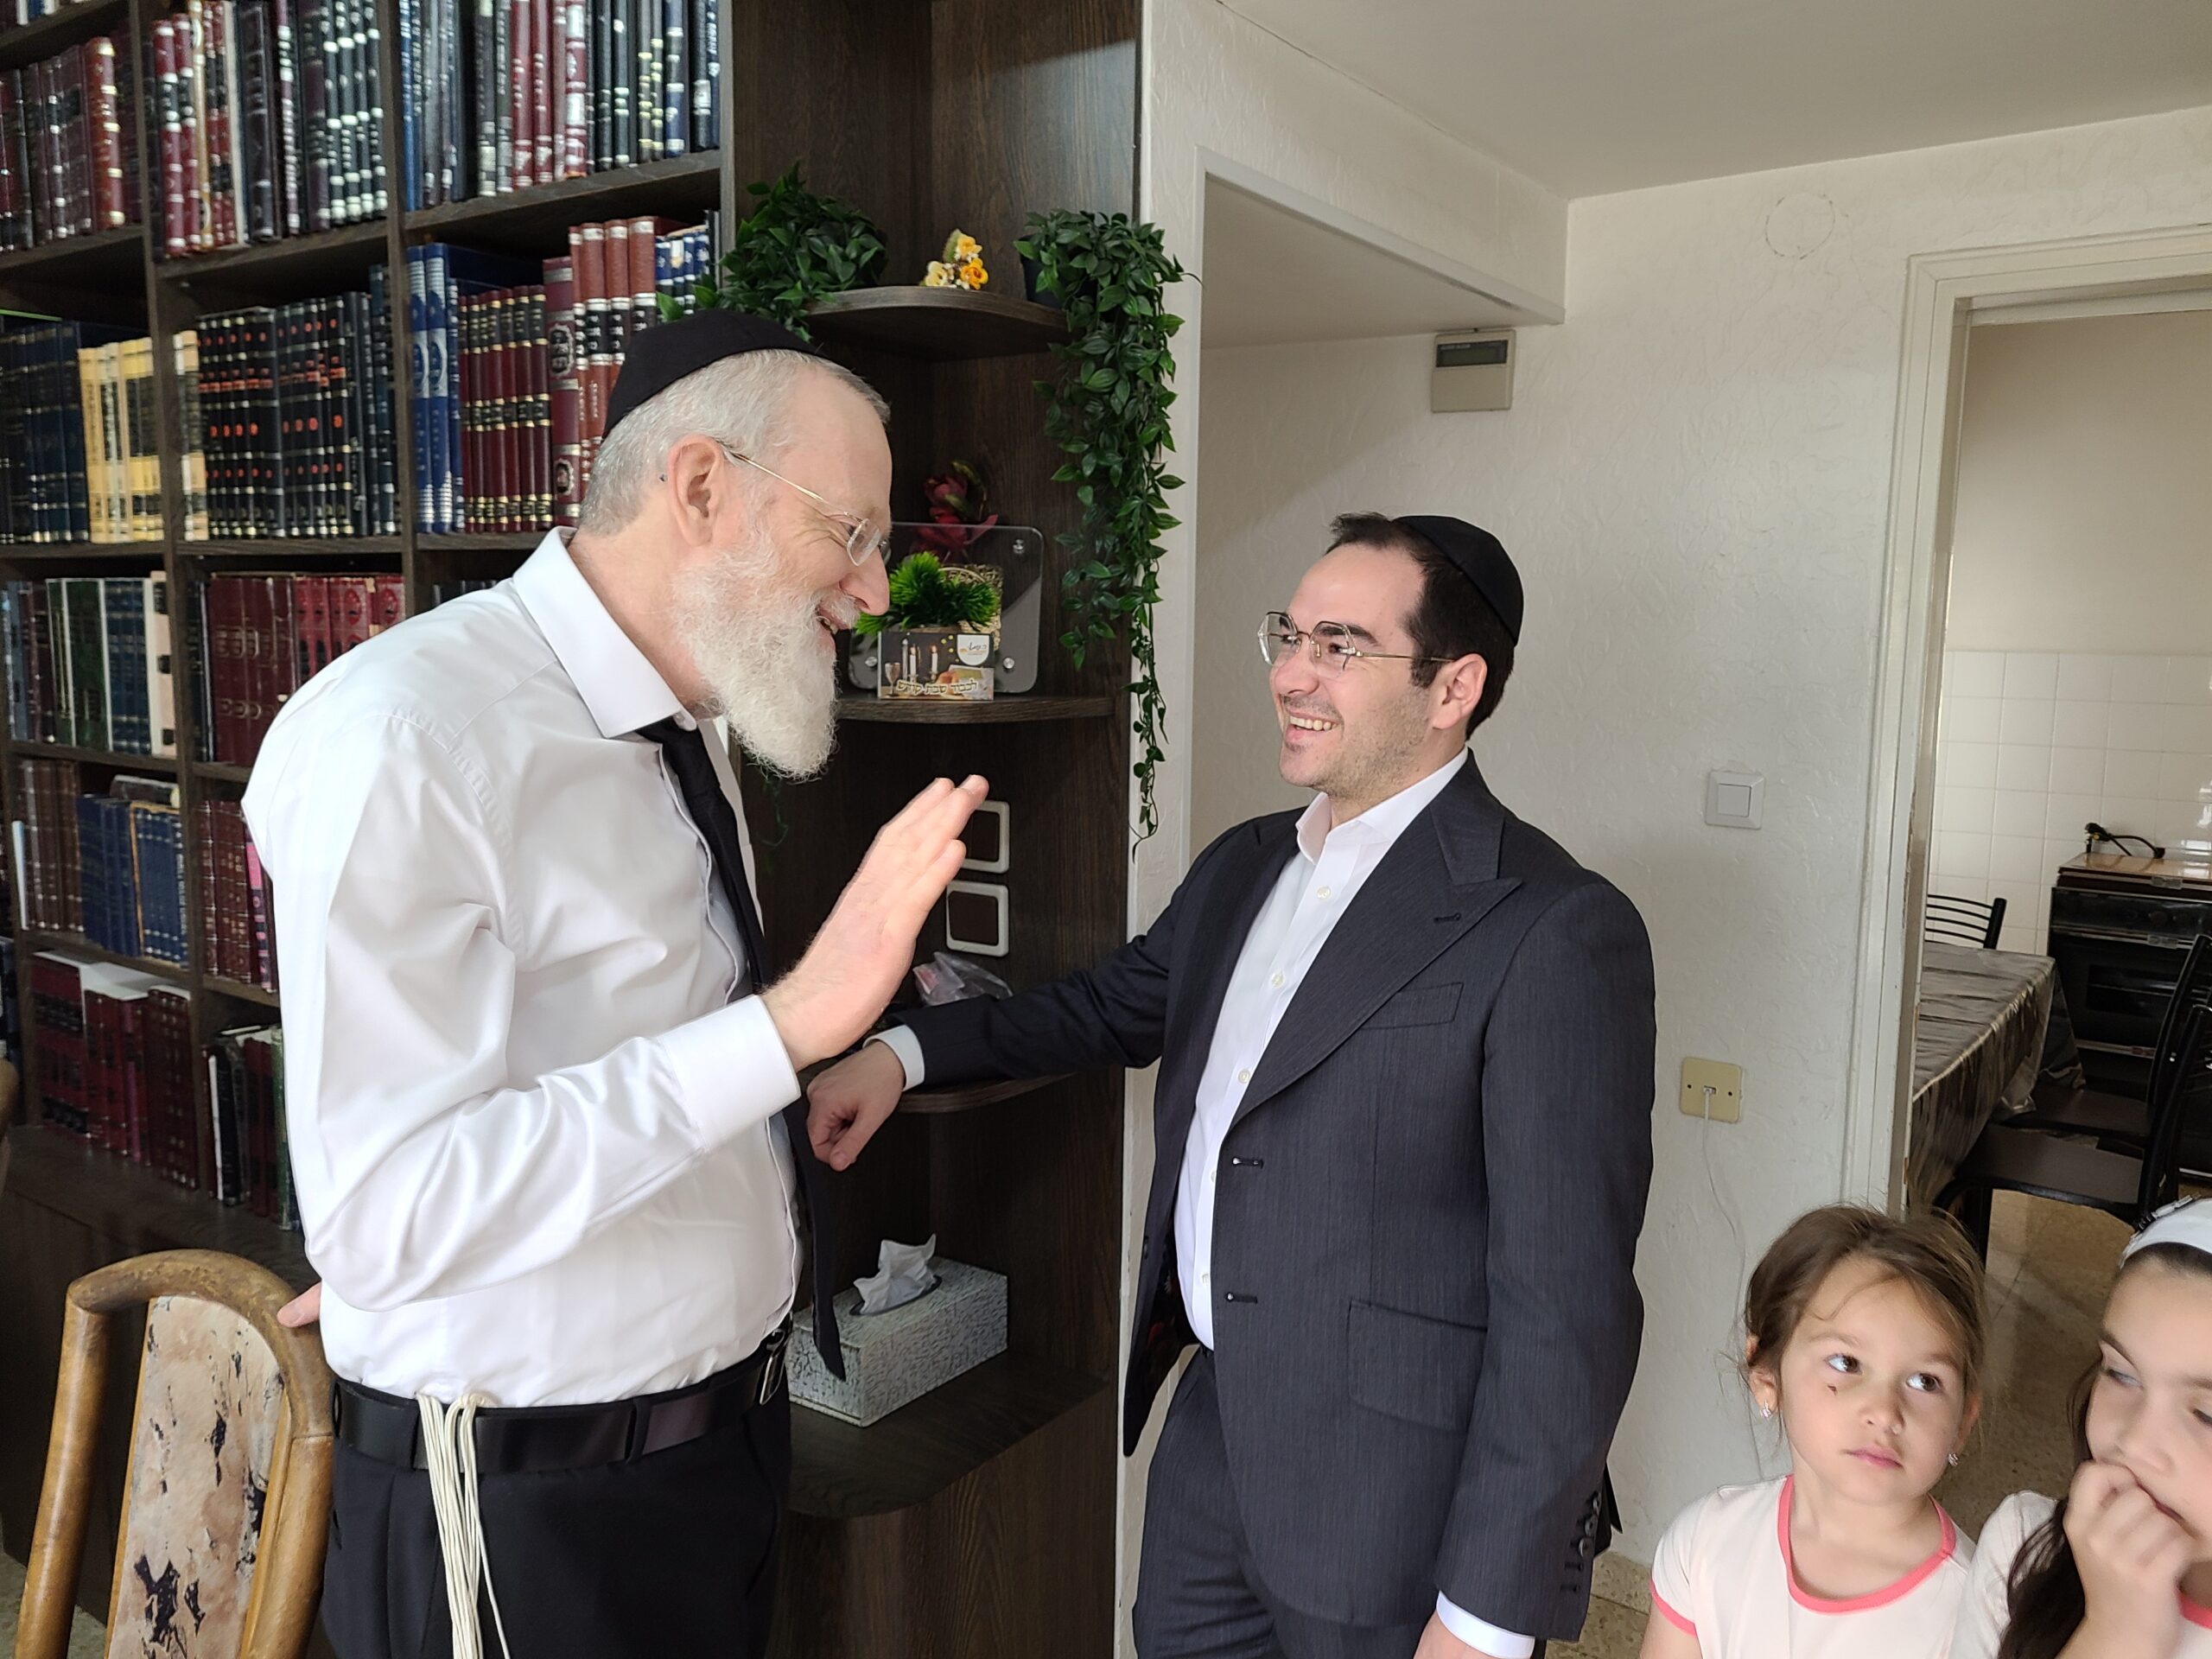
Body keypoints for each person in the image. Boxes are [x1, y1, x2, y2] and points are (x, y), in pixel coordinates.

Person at [243, 311, 988, 1659]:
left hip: (719, 1459)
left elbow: (592, 1070)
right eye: (852, 533)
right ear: (700, 487)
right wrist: (785, 1028)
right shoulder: (408, 737)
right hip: (531, 1505)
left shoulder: (688, 719)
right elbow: (390, 1213)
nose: (876, 591)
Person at [809, 512, 1658, 1658]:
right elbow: (1102, 1008)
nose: (1292, 675)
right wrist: (901, 1053)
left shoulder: (1552, 926)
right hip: (1211, 1445)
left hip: (1394, 1493)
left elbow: (1568, 1309)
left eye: (1340, 646)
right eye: (1290, 635)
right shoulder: (1245, 866)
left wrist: (1488, 1617)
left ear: (1453, 687)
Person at [1638, 1205, 1985, 1659]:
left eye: (1925, 1381)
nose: (1884, 1412)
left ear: (1963, 1422)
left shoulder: (1976, 1618)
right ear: (1767, 1376)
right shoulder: (1705, 1546)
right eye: (1846, 1363)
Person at [1953, 1196, 2212, 1659]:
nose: (2134, 1442)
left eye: (2208, 1414)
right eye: (2121, 1374)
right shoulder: (2024, 1552)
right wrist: (2114, 1635)